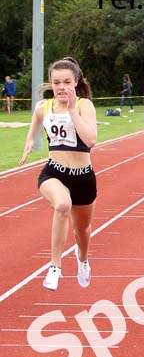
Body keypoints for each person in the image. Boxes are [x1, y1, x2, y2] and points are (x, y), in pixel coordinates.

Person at [19, 57, 97, 291]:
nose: (61, 87)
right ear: (51, 84)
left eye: (66, 82)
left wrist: (72, 111)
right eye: (56, 83)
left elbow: (90, 140)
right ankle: (55, 266)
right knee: (62, 205)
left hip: (83, 177)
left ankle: (83, 259)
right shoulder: (43, 107)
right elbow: (34, 126)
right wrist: (29, 143)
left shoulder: (84, 106)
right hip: (54, 173)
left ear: (75, 82)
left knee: (82, 230)